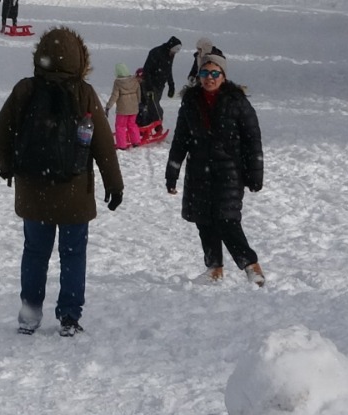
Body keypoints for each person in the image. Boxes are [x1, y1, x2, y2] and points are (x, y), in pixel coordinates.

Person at [0, 27, 123, 337]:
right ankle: (69, 316)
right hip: (74, 192)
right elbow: (103, 144)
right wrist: (114, 184)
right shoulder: (84, 93)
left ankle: (29, 314)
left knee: (35, 253)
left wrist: (6, 167)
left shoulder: (25, 89)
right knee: (73, 254)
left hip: (33, 191)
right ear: (80, 58)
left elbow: (0, 131)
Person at [164, 47, 266, 287]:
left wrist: (255, 174)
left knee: (227, 219)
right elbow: (180, 140)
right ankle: (214, 268)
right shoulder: (191, 101)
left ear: (223, 76)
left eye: (214, 73)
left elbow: (252, 140)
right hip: (198, 172)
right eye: (204, 73)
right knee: (204, 220)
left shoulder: (237, 102)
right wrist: (172, 172)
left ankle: (251, 266)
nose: (209, 78)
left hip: (229, 171)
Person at [140, 35, 183, 119]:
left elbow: (168, 69)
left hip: (160, 85)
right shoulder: (156, 52)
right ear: (170, 46)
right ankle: (156, 122)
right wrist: (149, 86)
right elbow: (147, 70)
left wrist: (171, 85)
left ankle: (150, 122)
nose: (175, 53)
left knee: (153, 107)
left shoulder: (170, 55)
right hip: (151, 84)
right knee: (153, 107)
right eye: (175, 50)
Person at [104, 63, 143, 150]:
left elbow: (114, 96)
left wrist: (108, 106)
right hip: (133, 108)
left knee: (120, 126)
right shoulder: (134, 80)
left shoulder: (118, 83)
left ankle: (122, 145)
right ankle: (136, 141)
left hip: (123, 109)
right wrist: (138, 102)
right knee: (132, 124)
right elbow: (138, 93)